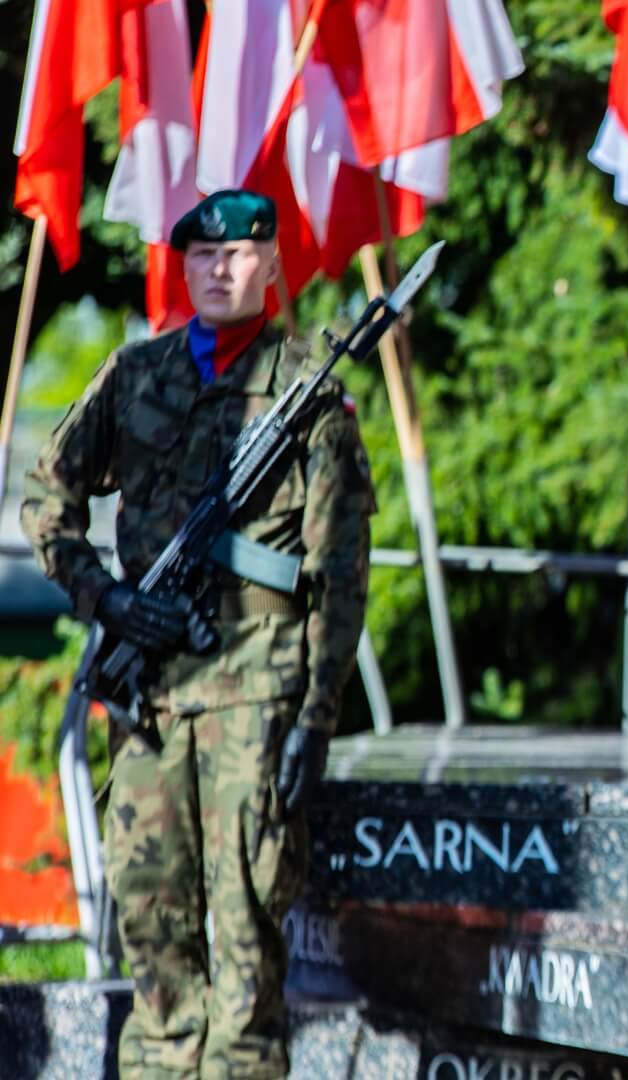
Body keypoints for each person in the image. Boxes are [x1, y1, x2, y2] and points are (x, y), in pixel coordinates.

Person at [20, 189, 374, 1078]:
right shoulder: (135, 374)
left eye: (241, 253)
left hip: (256, 699)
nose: (220, 270)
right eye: (204, 256)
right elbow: (48, 499)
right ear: (184, 266)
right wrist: (105, 598)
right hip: (149, 698)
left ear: (273, 262)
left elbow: (339, 575)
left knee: (246, 937)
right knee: (150, 925)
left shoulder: (309, 399)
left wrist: (317, 718)